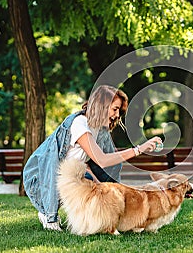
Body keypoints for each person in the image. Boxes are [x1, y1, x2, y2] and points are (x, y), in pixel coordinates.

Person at [22, 85, 162, 231]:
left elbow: (90, 164)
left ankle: (97, 217)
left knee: (97, 191)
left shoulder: (98, 129)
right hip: (41, 179)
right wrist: (139, 149)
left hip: (71, 174)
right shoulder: (79, 124)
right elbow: (102, 159)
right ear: (102, 105)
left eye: (119, 110)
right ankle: (48, 214)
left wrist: (102, 187)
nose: (117, 115)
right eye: (115, 109)